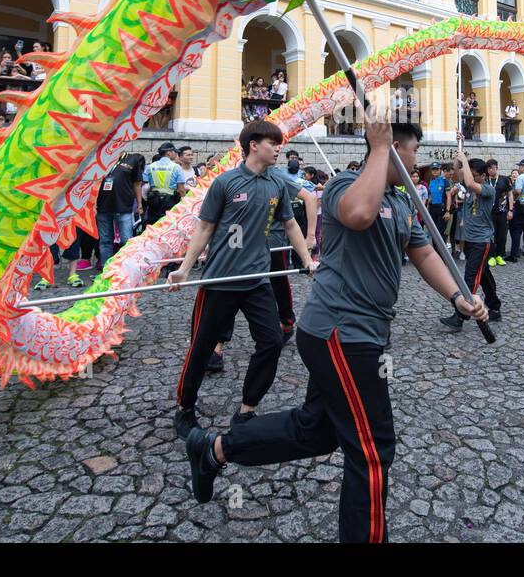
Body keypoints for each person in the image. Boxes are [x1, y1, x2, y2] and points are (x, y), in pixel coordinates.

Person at [182, 119, 487, 542]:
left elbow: (423, 254)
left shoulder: (400, 201)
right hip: (341, 333)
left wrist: (458, 297)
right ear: (393, 148)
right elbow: (359, 215)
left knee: (319, 429)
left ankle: (214, 449)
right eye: (412, 151)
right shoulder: (346, 185)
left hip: (369, 335)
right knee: (372, 450)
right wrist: (378, 149)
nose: (417, 162)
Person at [169, 120, 317, 436]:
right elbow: (204, 228)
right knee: (201, 347)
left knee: (272, 341)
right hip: (220, 281)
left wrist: (307, 259)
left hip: (258, 279)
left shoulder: (277, 184)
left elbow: (290, 225)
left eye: (279, 143)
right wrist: (184, 268)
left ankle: (247, 409)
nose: (279, 148)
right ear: (253, 145)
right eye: (273, 143)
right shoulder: (225, 183)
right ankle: (185, 408)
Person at [439, 145, 503, 331]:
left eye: (475, 174)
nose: (470, 176)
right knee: (484, 278)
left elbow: (468, 182)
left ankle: (460, 317)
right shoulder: (470, 189)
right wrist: (459, 156)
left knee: (470, 278)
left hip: (482, 242)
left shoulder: (487, 190)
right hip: (471, 240)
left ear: (483, 176)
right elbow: (458, 174)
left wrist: (465, 161)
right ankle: (495, 308)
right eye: (471, 173)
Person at [270, 158, 318, 343]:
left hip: (275, 241)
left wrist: (310, 237)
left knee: (278, 283)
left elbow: (310, 197)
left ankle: (286, 322)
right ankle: (217, 344)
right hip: (246, 244)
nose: (276, 150)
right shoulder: (232, 177)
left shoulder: (276, 176)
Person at [95, 151, 146, 270]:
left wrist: (139, 204)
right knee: (105, 240)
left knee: (126, 240)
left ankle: (125, 269)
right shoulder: (101, 158)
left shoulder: (132, 159)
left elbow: (137, 184)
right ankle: (106, 270)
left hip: (124, 206)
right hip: (103, 206)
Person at [144, 143, 187, 228]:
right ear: (168, 153)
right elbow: (181, 189)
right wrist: (185, 203)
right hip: (170, 201)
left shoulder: (150, 166)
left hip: (154, 201)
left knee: (153, 226)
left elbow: (144, 185)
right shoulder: (176, 167)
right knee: (168, 226)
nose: (176, 154)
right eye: (174, 152)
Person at [488, 159, 511, 265]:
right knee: (491, 234)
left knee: (502, 235)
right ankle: (491, 256)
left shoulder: (504, 179)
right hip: (489, 212)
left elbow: (510, 194)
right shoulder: (485, 180)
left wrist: (511, 210)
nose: (490, 170)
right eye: (488, 168)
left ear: (496, 168)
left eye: (491, 168)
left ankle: (500, 255)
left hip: (502, 211)